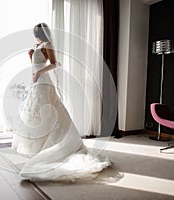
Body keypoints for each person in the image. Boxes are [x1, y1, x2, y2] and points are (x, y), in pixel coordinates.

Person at [11, 23, 111, 182]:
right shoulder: (38, 46)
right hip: (37, 81)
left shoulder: (47, 45)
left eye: (36, 33)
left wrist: (38, 71)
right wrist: (31, 58)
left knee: (46, 110)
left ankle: (52, 144)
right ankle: (37, 146)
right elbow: (36, 64)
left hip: (43, 80)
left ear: (40, 33)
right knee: (35, 111)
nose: (35, 36)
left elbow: (54, 63)